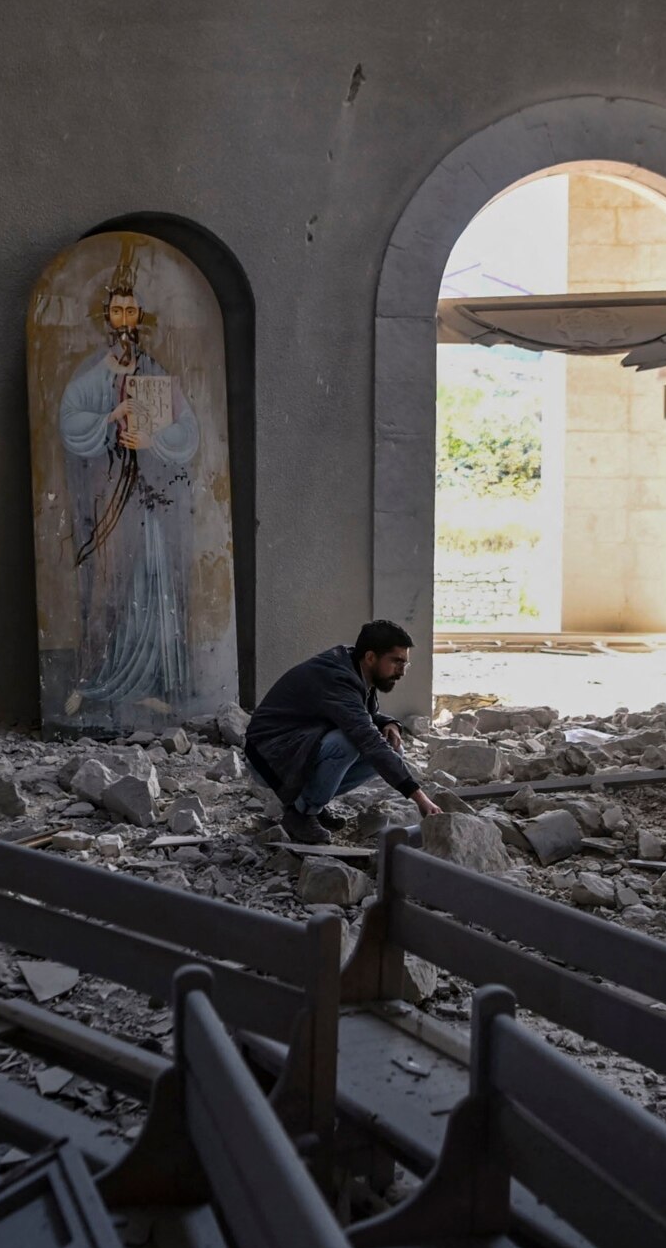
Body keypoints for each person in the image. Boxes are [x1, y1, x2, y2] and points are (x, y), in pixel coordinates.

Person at [58, 252, 201, 714]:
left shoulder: (155, 372)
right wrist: (109, 419)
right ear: (107, 316)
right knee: (106, 580)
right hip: (106, 495)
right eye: (116, 310)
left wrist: (153, 436)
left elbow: (188, 429)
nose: (123, 318)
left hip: (149, 498)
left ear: (140, 316)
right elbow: (69, 420)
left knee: (150, 580)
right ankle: (95, 676)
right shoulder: (91, 375)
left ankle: (151, 682)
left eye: (131, 310)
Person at [245, 620, 442, 844]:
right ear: (370, 657)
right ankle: (301, 815)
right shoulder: (337, 677)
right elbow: (364, 735)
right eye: (396, 661)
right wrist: (419, 798)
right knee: (348, 742)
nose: (402, 671)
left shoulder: (355, 667)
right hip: (269, 756)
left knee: (393, 749)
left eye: (405, 664)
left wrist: (390, 723)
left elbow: (360, 714)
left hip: (296, 747)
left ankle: (310, 804)